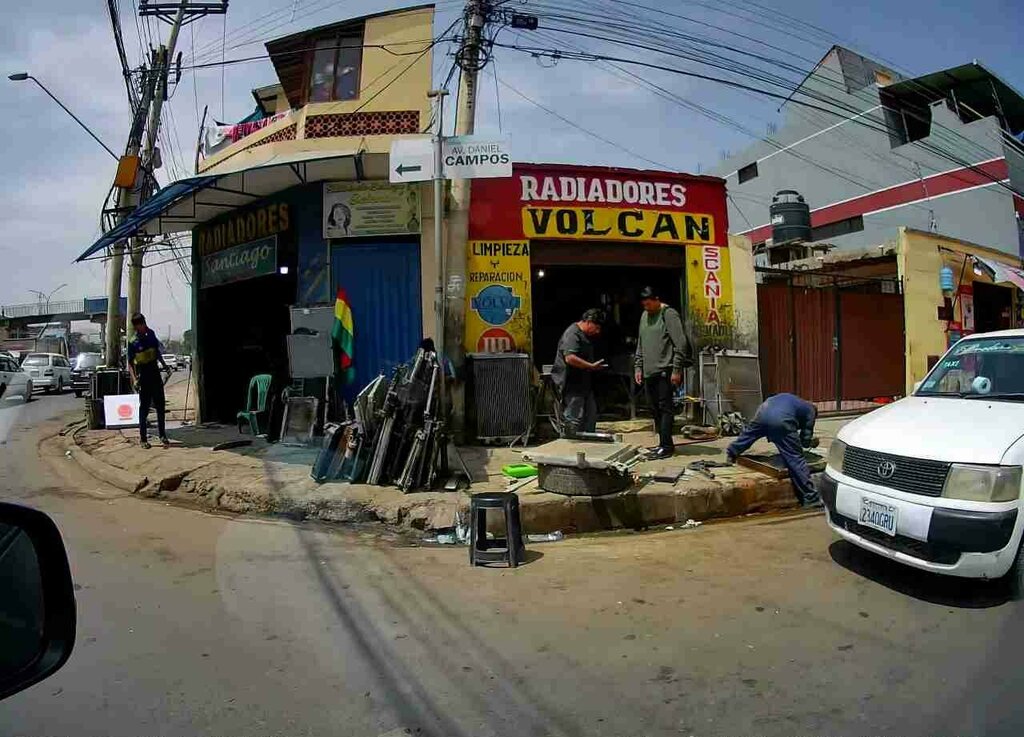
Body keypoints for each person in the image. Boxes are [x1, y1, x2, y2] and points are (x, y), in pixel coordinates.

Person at [726, 393, 822, 507]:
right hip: (781, 420)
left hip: (763, 411)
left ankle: (732, 453)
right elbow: (805, 440)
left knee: (749, 435)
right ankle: (811, 498)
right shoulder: (811, 411)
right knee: (795, 459)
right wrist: (812, 442)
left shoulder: (796, 401)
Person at [634, 286, 690, 458]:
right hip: (649, 372)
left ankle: (666, 446)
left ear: (657, 300)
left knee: (665, 408)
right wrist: (638, 366)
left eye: (649, 304)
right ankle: (662, 443)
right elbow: (641, 344)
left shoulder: (669, 314)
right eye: (644, 305)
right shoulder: (645, 316)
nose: (647, 308)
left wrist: (676, 369)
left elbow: (680, 344)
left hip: (665, 370)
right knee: (654, 409)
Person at [550, 309, 607, 436]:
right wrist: (590, 366)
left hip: (584, 383)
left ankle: (588, 445)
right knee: (574, 418)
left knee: (590, 416)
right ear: (588, 322)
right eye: (596, 327)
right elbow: (570, 358)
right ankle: (571, 446)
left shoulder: (584, 335)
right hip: (572, 384)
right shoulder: (573, 334)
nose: (597, 331)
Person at [127, 313, 171, 449]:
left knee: (160, 406)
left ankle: (162, 435)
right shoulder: (133, 341)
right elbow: (130, 364)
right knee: (144, 408)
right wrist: (134, 380)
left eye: (143, 323)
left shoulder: (151, 334)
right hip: (143, 376)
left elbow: (157, 353)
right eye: (139, 325)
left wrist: (165, 366)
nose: (142, 327)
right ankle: (143, 438)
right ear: (135, 326)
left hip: (155, 373)